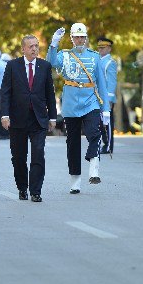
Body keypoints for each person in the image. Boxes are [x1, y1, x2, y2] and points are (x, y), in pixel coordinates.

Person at [47, 23, 110, 193]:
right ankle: (75, 180)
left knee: (94, 134)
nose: (80, 40)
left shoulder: (94, 56)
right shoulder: (65, 55)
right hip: (71, 103)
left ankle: (94, 169)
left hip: (91, 101)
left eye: (82, 37)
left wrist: (106, 109)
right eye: (77, 37)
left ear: (86, 38)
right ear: (72, 39)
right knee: (72, 143)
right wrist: (54, 43)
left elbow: (102, 84)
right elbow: (51, 62)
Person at [0, 35, 57, 202]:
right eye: (31, 46)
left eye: (36, 46)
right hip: (17, 118)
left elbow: (50, 94)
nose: (34, 49)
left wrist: (52, 117)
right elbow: (5, 92)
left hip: (38, 119)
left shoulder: (44, 66)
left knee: (38, 154)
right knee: (18, 157)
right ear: (23, 49)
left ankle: (36, 191)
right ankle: (22, 187)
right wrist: (5, 115)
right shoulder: (12, 66)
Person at [97, 37, 117, 154]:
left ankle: (109, 145)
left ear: (109, 48)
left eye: (103, 48)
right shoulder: (99, 60)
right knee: (100, 122)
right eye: (99, 47)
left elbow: (112, 82)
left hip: (106, 98)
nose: (100, 50)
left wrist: (109, 99)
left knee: (107, 122)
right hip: (98, 96)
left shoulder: (110, 62)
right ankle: (105, 143)